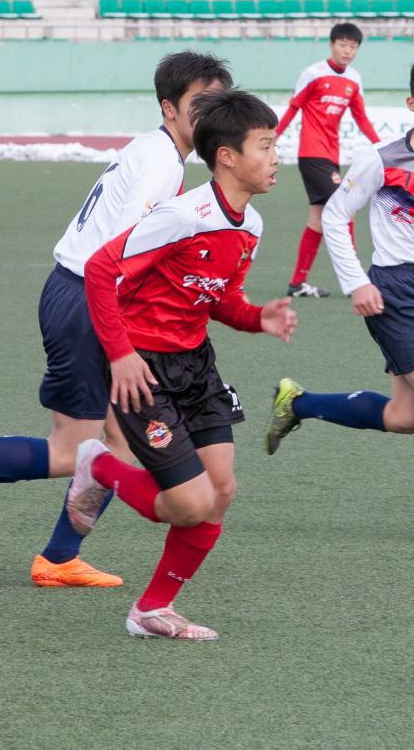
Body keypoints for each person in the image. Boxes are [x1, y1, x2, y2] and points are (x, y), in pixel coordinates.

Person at [0, 51, 234, 587]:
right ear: (170, 108)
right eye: (199, 104)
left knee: (91, 446)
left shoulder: (157, 150)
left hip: (73, 294)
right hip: (89, 301)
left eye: (219, 104)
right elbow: (119, 257)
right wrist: (128, 339)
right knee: (95, 447)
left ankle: (53, 554)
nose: (211, 115)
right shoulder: (162, 162)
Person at [67, 89, 297, 640]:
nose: (275, 158)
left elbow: (216, 298)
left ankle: (151, 609)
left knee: (220, 493)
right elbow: (101, 271)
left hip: (196, 365)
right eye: (265, 146)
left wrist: (255, 317)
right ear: (228, 156)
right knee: (188, 503)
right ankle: (99, 466)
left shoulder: (251, 225)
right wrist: (120, 355)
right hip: (140, 367)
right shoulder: (180, 215)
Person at [265, 53, 414, 544]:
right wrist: (356, 283)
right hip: (391, 289)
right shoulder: (380, 158)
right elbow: (333, 215)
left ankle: (298, 404)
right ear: (411, 102)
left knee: (405, 417)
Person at [275, 22, 381, 299]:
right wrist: (271, 140)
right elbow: (293, 108)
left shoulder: (354, 80)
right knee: (345, 206)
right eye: (342, 44)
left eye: (353, 46)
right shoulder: (313, 74)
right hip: (311, 154)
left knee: (319, 220)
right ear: (332, 45)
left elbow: (361, 117)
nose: (347, 50)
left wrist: (382, 146)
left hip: (331, 156)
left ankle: (298, 284)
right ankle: (356, 278)